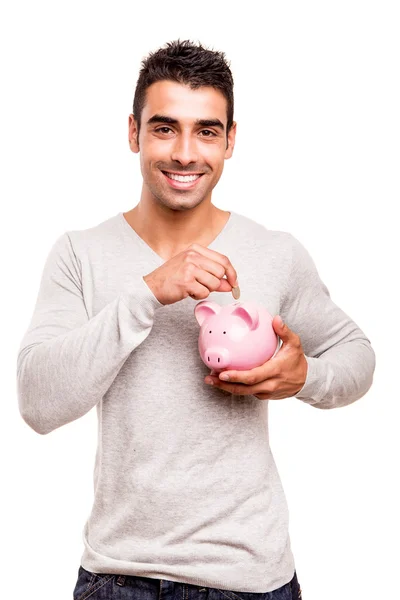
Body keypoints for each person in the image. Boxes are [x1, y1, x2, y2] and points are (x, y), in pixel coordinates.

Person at [16, 39, 375, 600]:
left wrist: (307, 378)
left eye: (206, 131)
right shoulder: (78, 254)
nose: (185, 153)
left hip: (251, 581)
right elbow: (37, 402)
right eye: (165, 128)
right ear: (133, 133)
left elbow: (357, 355)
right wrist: (148, 293)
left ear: (230, 141)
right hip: (118, 577)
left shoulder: (276, 252)